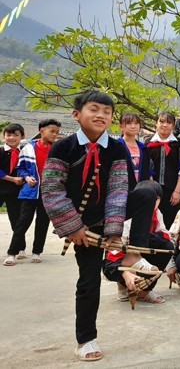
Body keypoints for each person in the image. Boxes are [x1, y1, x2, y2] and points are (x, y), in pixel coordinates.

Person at [41, 91, 154, 361]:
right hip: (82, 226)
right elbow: (52, 190)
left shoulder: (116, 148)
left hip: (111, 216)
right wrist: (73, 227)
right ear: (77, 114)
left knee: (149, 190)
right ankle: (86, 339)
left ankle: (133, 255)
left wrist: (114, 233)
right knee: (89, 280)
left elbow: (119, 189)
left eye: (107, 111)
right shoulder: (63, 147)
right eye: (94, 109)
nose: (101, 115)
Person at [103, 180, 173, 304]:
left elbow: (165, 235)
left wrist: (147, 238)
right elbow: (115, 249)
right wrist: (125, 272)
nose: (152, 204)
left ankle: (145, 290)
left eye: (156, 200)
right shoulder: (127, 217)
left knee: (167, 246)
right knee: (112, 262)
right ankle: (123, 284)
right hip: (120, 255)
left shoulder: (158, 214)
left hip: (142, 253)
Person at [5, 119, 60, 266]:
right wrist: (26, 177)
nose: (55, 134)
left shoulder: (58, 149)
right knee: (22, 222)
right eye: (52, 131)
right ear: (42, 131)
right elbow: (21, 168)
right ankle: (12, 253)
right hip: (30, 191)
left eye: (57, 132)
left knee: (43, 222)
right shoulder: (28, 148)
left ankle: (37, 252)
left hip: (48, 192)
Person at [147, 112, 180, 229]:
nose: (165, 125)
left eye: (169, 122)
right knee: (151, 221)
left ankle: (169, 247)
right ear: (156, 123)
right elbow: (148, 168)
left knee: (170, 222)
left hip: (173, 189)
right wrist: (153, 190)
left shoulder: (179, 143)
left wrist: (177, 191)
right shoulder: (148, 143)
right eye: (161, 121)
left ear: (174, 125)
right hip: (152, 189)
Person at [1, 124, 25, 266]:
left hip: (15, 192)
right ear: (4, 136)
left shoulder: (25, 153)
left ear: (22, 137)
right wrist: (12, 179)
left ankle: (20, 248)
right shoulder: (0, 151)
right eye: (9, 135)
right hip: (1, 188)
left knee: (16, 221)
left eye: (16, 135)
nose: (12, 138)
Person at [118, 113, 152, 192]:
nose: (133, 126)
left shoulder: (143, 148)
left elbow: (149, 171)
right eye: (129, 123)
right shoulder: (116, 146)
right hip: (121, 191)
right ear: (121, 126)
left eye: (136, 123)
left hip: (142, 191)